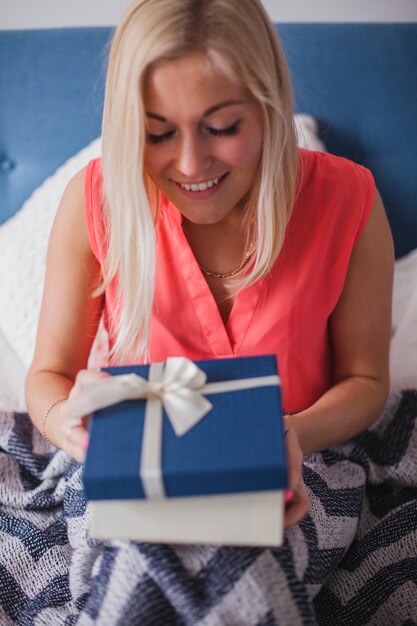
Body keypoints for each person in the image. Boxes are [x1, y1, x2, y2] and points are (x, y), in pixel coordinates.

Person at [25, 0, 393, 531]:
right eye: (157, 134)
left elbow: (366, 379)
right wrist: (68, 425)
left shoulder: (348, 197)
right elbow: (48, 374)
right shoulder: (95, 203)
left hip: (302, 460)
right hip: (137, 472)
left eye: (221, 127)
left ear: (268, 105)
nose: (192, 165)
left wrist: (289, 434)